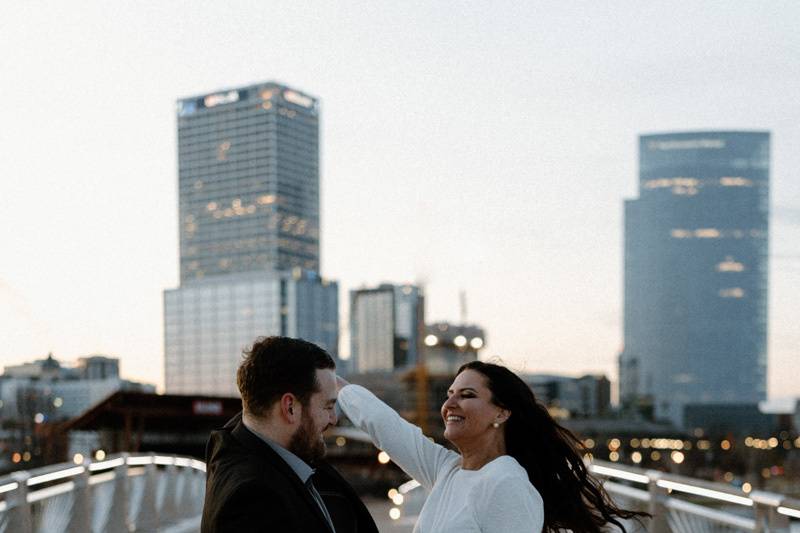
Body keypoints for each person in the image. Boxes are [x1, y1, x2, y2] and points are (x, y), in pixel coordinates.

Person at [337, 360, 647, 532]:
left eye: (467, 395)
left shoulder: (507, 484)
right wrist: (332, 385)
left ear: (501, 412)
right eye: (450, 393)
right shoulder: (448, 471)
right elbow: (386, 426)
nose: (450, 404)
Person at [201, 336, 378, 533]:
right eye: (328, 406)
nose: (333, 419)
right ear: (290, 407)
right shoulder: (251, 504)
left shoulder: (274, 450)